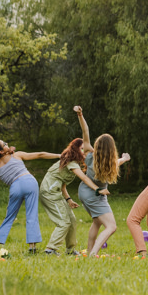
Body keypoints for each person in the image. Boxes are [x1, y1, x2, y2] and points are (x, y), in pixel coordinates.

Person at [39, 106, 96, 256]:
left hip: (56, 192)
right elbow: (83, 177)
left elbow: (62, 185)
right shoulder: (71, 163)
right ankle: (50, 250)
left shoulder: (72, 163)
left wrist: (69, 199)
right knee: (63, 222)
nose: (85, 151)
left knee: (71, 219)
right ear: (76, 149)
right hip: (49, 193)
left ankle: (70, 250)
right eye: (82, 149)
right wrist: (97, 188)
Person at [0, 141, 60, 254]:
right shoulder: (16, 155)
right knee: (31, 214)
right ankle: (32, 248)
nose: (7, 144)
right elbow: (40, 154)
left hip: (15, 187)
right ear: (1, 151)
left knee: (9, 218)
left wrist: (7, 152)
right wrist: (59, 156)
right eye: (5, 144)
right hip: (29, 181)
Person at [78, 132, 130, 257]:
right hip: (95, 195)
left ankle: (90, 252)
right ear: (112, 149)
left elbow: (85, 133)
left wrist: (80, 115)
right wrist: (125, 158)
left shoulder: (90, 157)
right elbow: (117, 162)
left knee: (97, 222)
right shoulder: (109, 164)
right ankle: (93, 253)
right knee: (111, 226)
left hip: (84, 192)